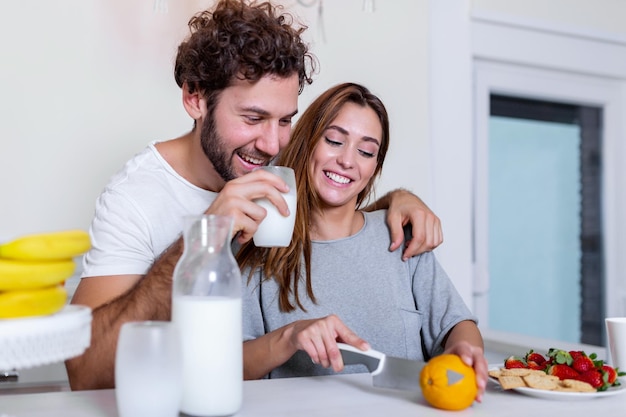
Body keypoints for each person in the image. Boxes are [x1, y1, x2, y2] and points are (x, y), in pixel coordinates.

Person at [65, 0, 442, 391]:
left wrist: (399, 199)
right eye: (253, 118)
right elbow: (86, 371)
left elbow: (341, 198)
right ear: (195, 98)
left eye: (285, 120)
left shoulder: (276, 161)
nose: (272, 142)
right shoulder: (137, 197)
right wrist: (204, 237)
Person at [238, 83, 488, 402]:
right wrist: (289, 337)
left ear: (374, 168)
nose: (347, 160)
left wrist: (463, 350)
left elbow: (455, 324)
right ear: (306, 143)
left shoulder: (399, 236)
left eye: (366, 151)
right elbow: (231, 367)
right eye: (334, 140)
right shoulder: (259, 248)